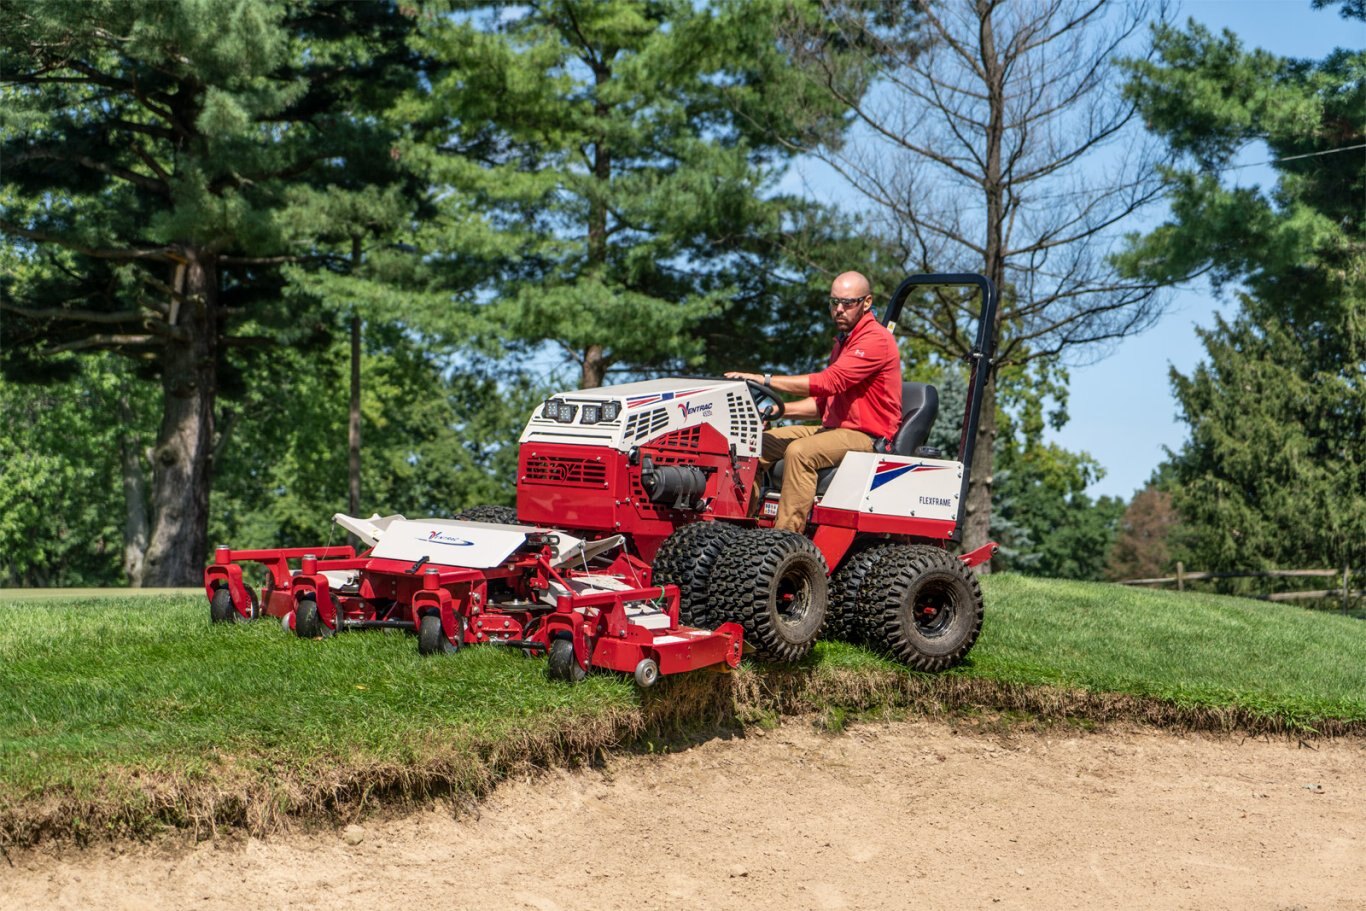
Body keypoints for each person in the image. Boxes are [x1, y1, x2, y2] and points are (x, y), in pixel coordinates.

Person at [725, 271, 902, 534]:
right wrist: (774, 410)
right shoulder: (844, 342)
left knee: (800, 452)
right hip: (833, 430)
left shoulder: (875, 339)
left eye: (848, 303)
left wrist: (765, 380)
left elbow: (830, 382)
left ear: (867, 303)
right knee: (755, 444)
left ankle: (785, 540)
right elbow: (822, 404)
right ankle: (736, 529)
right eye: (834, 302)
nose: (839, 309)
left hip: (867, 436)